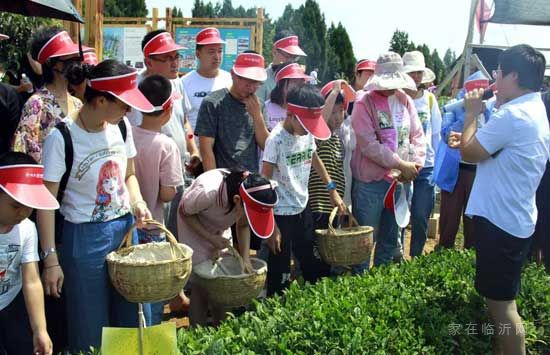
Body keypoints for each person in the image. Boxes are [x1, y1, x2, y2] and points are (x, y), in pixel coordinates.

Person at [38, 59, 154, 353]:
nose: (129, 111)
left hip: (126, 233)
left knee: (132, 317)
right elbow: (47, 203)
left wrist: (138, 202)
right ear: (101, 100)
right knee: (90, 327)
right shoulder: (61, 137)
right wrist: (51, 260)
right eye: (124, 105)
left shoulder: (121, 127)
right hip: (83, 240)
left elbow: (129, 174)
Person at [460, 44, 549, 355]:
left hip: (500, 224)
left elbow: (470, 153)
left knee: (502, 310)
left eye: (498, 72)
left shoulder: (514, 114)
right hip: (515, 219)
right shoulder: (532, 108)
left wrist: (471, 115)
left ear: (513, 75)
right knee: (501, 304)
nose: (494, 79)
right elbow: (496, 150)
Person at [262, 85, 346, 296]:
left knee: (312, 264)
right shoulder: (276, 140)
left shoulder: (307, 134)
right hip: (280, 215)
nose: (309, 130)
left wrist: (331, 189)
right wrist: (271, 226)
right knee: (279, 274)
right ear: (291, 115)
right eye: (305, 124)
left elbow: (314, 157)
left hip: (302, 207)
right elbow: (264, 183)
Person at [351, 52, 426, 268]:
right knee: (365, 241)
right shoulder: (364, 103)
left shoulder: (405, 100)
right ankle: (360, 286)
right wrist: (400, 164)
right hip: (371, 184)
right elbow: (369, 145)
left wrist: (415, 164)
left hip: (399, 181)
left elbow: (417, 136)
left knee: (390, 239)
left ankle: (381, 283)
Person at [178, 169, 277, 326]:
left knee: (223, 283)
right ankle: (196, 333)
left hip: (220, 225)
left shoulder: (252, 188)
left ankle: (221, 328)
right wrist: (210, 237)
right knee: (202, 283)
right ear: (237, 200)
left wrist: (245, 259)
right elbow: (184, 212)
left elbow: (243, 224)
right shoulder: (207, 192)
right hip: (194, 227)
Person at [132, 74, 184, 325]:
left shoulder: (127, 134)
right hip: (153, 228)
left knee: (131, 287)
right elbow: (167, 193)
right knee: (153, 291)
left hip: (128, 227)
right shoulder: (166, 145)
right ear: (169, 109)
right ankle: (150, 334)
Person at [0, 152, 58, 355]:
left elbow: (31, 281)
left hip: (10, 305)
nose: (23, 213)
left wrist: (40, 330)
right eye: (16, 205)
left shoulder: (26, 229)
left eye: (29, 206)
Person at [435, 71, 493, 250]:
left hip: (478, 173)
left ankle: (469, 257)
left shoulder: (491, 109)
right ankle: (443, 254)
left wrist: (481, 111)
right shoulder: (455, 106)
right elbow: (445, 132)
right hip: (455, 171)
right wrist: (468, 113)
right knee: (449, 220)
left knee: (473, 221)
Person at [12, 27, 87, 163]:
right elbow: (22, 151)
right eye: (67, 57)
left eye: (75, 55)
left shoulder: (78, 103)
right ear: (50, 63)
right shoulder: (36, 104)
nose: (75, 61)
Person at [196, 52, 270, 173]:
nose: (251, 87)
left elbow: (266, 146)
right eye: (246, 80)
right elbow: (206, 149)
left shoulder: (259, 105)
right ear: (233, 74)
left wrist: (257, 116)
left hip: (250, 180)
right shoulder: (213, 102)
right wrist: (214, 183)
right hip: (223, 178)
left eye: (256, 82)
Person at [402, 51, 442, 257]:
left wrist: (436, 164)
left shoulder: (429, 99)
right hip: (401, 165)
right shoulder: (397, 97)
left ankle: (416, 257)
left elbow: (436, 134)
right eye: (411, 72)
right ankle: (396, 256)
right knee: (399, 214)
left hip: (425, 166)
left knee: (420, 215)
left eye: (418, 72)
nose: (415, 76)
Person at [309, 80, 348, 276]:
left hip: (334, 206)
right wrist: (334, 92)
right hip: (319, 205)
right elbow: (319, 123)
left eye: (340, 111)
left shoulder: (337, 139)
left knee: (330, 249)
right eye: (333, 111)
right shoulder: (319, 136)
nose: (337, 117)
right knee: (319, 251)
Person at [181, 27, 232, 132]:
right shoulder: (184, 83)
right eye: (211, 52)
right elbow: (182, 120)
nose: (217, 56)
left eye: (220, 51)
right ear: (198, 54)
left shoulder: (230, 80)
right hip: (195, 146)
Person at [256, 31, 307, 103]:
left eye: (295, 58)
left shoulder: (299, 80)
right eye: (287, 56)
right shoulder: (262, 80)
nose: (291, 61)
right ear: (274, 51)